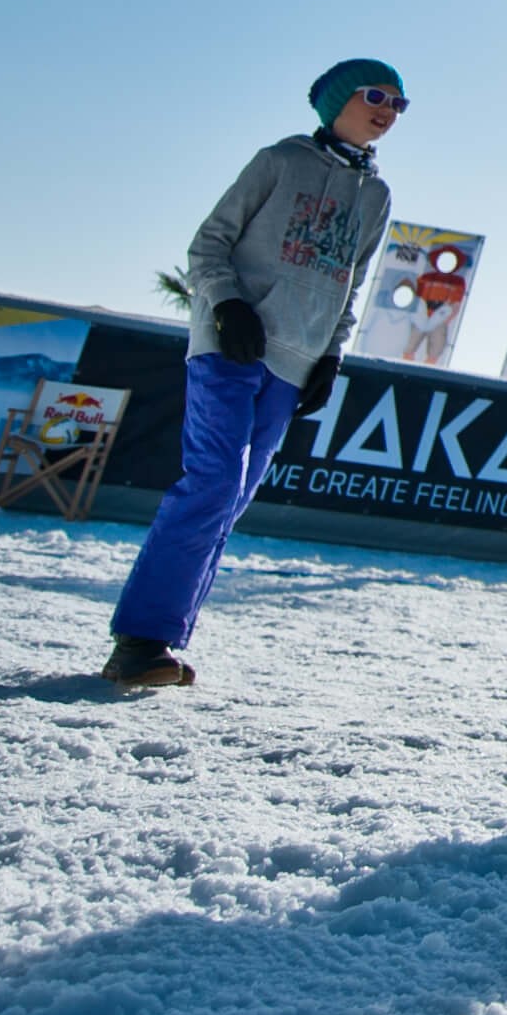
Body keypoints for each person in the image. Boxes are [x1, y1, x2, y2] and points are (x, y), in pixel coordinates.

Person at [102, 61, 402, 688]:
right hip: (233, 344)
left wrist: (334, 353)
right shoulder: (279, 160)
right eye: (376, 95)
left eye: (400, 102)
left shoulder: (376, 195)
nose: (389, 109)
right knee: (212, 482)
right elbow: (208, 244)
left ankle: (158, 642)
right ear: (337, 100)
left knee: (231, 498)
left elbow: (354, 282)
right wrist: (227, 304)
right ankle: (140, 642)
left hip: (297, 363)